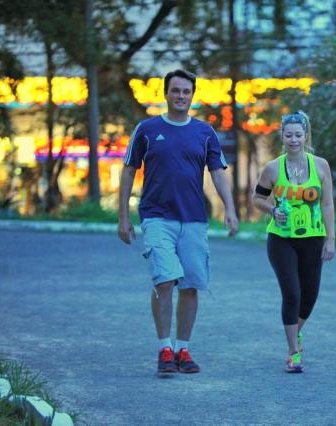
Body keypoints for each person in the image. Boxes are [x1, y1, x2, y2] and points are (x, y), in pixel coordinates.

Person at [117, 69, 239, 374]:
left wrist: (231, 208)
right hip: (157, 216)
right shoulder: (146, 129)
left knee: (191, 285)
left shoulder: (205, 132)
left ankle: (183, 348)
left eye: (186, 91)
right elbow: (129, 171)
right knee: (165, 279)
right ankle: (164, 348)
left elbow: (218, 173)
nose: (181, 96)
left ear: (192, 95)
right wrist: (123, 217)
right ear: (166, 93)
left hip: (195, 219)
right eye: (175, 91)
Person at [252, 111, 335, 373]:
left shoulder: (321, 165)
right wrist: (273, 210)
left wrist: (330, 238)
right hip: (281, 239)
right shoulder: (273, 168)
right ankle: (292, 352)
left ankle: (294, 332)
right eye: (289, 135)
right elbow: (257, 198)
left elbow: (328, 203)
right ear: (282, 136)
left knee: (309, 298)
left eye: (298, 135)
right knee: (292, 294)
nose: (294, 139)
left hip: (313, 238)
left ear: (306, 135)